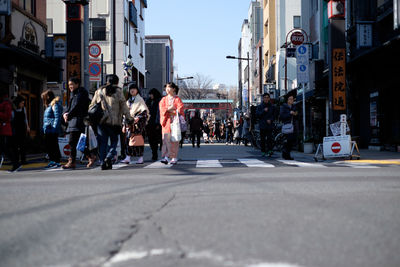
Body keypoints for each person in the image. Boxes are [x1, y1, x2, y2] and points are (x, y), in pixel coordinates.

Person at [89, 74, 131, 170]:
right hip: (114, 122)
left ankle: (103, 161)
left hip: (101, 121)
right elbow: (124, 106)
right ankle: (109, 156)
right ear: (117, 81)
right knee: (114, 141)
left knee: (102, 142)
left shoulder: (99, 91)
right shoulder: (118, 91)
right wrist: (129, 118)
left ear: (107, 81)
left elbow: (92, 106)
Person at [62, 77, 90, 169]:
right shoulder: (73, 94)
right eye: (69, 85)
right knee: (75, 142)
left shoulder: (81, 93)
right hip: (73, 121)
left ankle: (73, 160)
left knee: (74, 142)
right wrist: (65, 114)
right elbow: (70, 107)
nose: (70, 86)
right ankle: (89, 155)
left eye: (72, 84)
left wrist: (68, 115)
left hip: (78, 121)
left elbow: (77, 106)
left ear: (77, 84)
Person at [121, 83, 149, 164]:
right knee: (128, 140)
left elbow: (144, 111)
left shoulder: (140, 100)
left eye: (134, 89)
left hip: (138, 125)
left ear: (137, 90)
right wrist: (124, 124)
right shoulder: (128, 101)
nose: (132, 90)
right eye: (130, 89)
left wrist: (138, 118)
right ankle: (128, 157)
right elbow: (124, 114)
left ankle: (140, 157)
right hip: (129, 123)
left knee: (138, 140)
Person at [159, 82, 184, 165]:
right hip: (166, 122)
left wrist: (170, 110)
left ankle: (173, 157)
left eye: (169, 87)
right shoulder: (163, 99)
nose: (167, 89)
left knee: (174, 140)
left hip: (174, 122)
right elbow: (162, 109)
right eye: (166, 87)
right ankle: (166, 157)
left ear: (174, 89)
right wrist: (170, 108)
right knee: (165, 140)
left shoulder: (177, 99)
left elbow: (180, 109)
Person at [41, 90, 62, 168]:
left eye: (44, 98)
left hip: (51, 129)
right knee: (51, 146)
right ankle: (54, 161)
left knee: (52, 146)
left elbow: (57, 117)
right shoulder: (51, 105)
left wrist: (54, 129)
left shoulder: (54, 104)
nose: (43, 100)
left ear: (48, 97)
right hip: (49, 129)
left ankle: (55, 161)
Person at [10, 95, 30, 171]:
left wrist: (27, 126)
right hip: (15, 130)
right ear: (18, 103)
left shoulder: (23, 109)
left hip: (22, 129)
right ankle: (16, 160)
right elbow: (11, 120)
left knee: (23, 145)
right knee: (15, 146)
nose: (23, 104)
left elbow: (25, 118)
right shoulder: (13, 110)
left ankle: (23, 160)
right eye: (22, 103)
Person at [280, 91, 298, 160]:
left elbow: (297, 115)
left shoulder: (294, 106)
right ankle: (286, 154)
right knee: (288, 140)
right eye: (290, 99)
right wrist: (289, 113)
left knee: (291, 141)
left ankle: (285, 153)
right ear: (287, 100)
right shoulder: (283, 107)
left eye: (292, 99)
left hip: (294, 126)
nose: (291, 100)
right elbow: (282, 116)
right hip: (287, 126)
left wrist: (295, 114)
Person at [145, 88, 162, 161]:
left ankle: (155, 153)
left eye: (151, 94)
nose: (150, 96)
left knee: (155, 139)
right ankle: (153, 152)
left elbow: (159, 113)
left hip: (156, 123)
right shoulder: (148, 101)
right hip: (149, 123)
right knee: (150, 139)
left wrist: (158, 123)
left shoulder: (159, 101)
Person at [0, 87, 13, 170]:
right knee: (3, 148)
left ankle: (15, 163)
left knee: (4, 148)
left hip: (4, 129)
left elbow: (8, 116)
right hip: (3, 129)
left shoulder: (7, 104)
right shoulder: (4, 103)